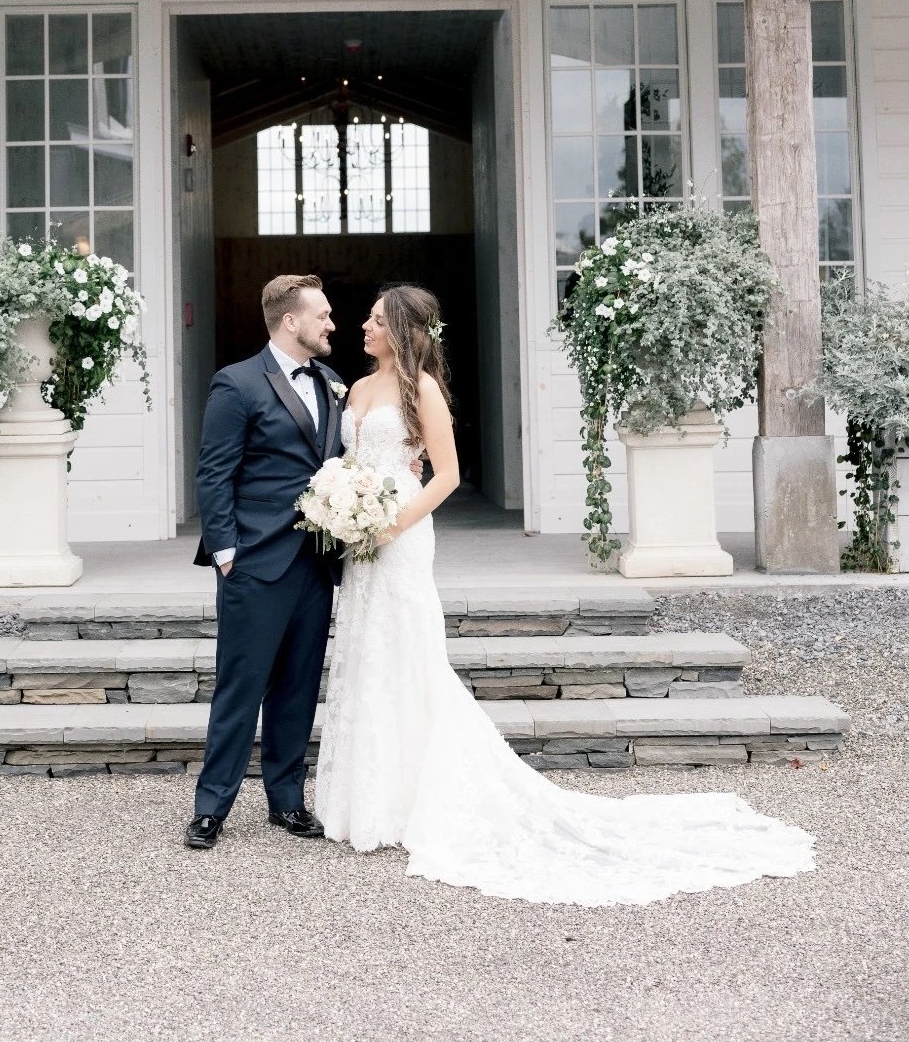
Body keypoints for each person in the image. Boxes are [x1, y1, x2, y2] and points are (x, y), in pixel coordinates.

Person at [314, 282, 817, 906]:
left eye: (376, 320)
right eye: (365, 319)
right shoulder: (358, 389)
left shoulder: (425, 392)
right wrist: (344, 508)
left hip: (403, 537)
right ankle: (369, 797)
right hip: (363, 545)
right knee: (366, 654)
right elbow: (352, 464)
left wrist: (390, 523)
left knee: (408, 654)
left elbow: (447, 476)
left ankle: (417, 796)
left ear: (404, 330)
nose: (364, 326)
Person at [185, 273, 345, 850]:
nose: (332, 323)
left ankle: (287, 800)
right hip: (254, 561)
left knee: (298, 687)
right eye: (322, 315)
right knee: (240, 686)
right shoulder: (237, 383)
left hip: (314, 563)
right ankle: (211, 808)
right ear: (290, 321)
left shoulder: (331, 382)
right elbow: (214, 471)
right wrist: (226, 551)